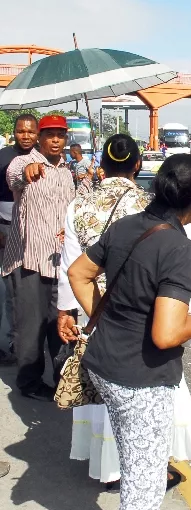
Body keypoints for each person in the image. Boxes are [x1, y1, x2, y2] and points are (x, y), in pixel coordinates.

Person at [67, 153, 191, 510]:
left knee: (132, 460)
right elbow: (166, 335)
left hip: (104, 363)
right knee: (144, 484)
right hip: (142, 379)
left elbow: (78, 274)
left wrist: (109, 320)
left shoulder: (125, 225)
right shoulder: (180, 250)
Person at [4, 115, 74, 399]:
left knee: (60, 325)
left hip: (61, 261)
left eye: (60, 135)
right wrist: (29, 170)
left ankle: (63, 381)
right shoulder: (23, 163)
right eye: (50, 135)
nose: (55, 140)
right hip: (30, 260)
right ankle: (29, 383)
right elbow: (15, 177)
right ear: (40, 138)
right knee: (30, 328)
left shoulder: (67, 172)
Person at [0, 114, 38, 366]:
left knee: (27, 292)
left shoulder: (43, 159)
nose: (25, 136)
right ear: (14, 132)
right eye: (21, 131)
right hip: (3, 229)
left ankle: (22, 341)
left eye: (30, 131)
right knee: (4, 292)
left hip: (33, 234)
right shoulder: (2, 157)